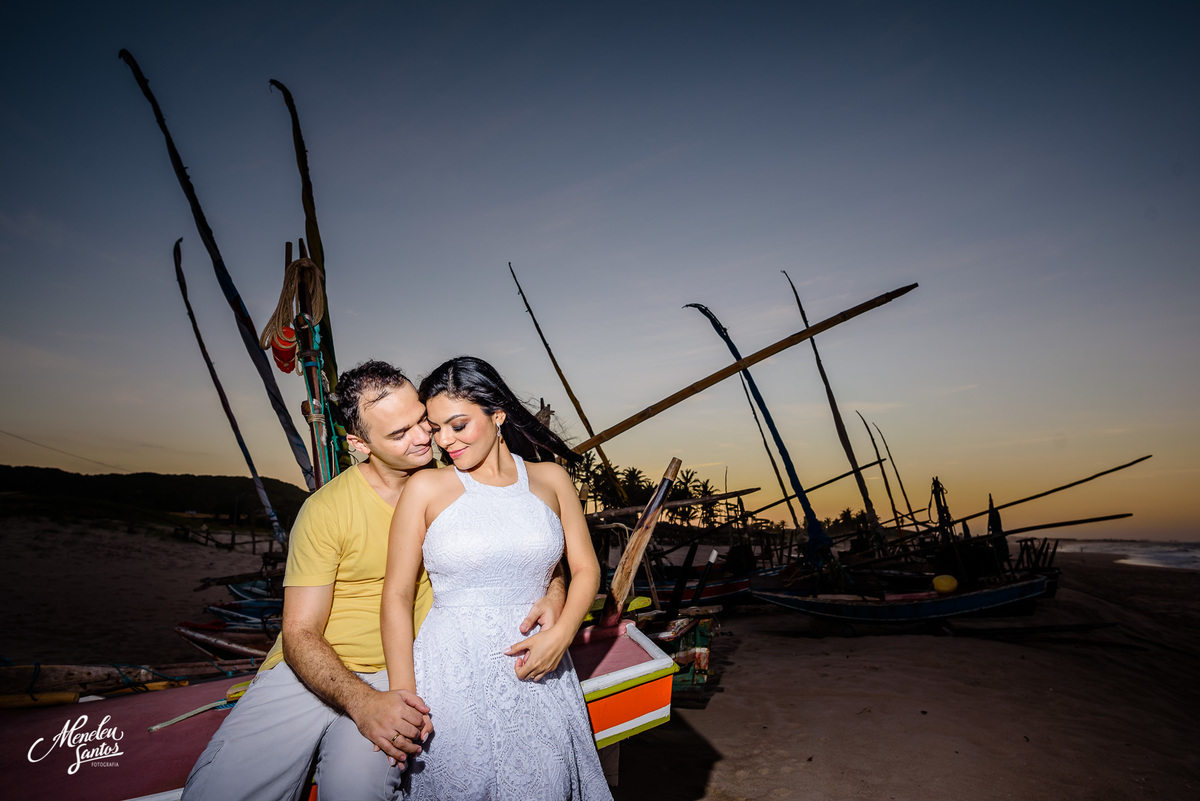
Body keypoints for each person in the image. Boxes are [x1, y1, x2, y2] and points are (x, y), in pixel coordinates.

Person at [182, 361, 565, 801]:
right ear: (359, 445)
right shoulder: (326, 510)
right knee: (221, 791)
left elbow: (535, 544)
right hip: (311, 670)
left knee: (355, 791)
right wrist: (361, 703)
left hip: (401, 670)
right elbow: (300, 633)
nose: (425, 438)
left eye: (422, 420)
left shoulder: (463, 474)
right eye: (399, 434)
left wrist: (554, 589)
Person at [381, 356, 612, 800]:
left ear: (498, 416)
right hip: (450, 671)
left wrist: (561, 635)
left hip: (540, 669)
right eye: (436, 428)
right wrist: (404, 697)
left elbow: (586, 569)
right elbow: (396, 596)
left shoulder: (551, 479)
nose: (445, 441)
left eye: (458, 425)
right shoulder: (426, 489)